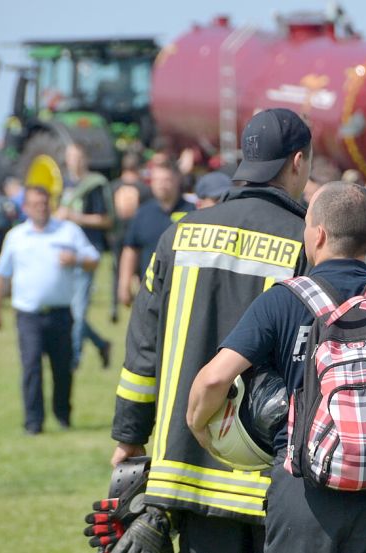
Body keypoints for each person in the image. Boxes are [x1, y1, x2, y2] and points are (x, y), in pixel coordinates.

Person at [186, 181, 366, 553]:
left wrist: (200, 429)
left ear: (318, 235)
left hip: (303, 491)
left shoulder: (283, 300)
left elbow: (215, 377)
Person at [110, 108, 312, 553]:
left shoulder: (177, 236)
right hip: (271, 478)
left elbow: (142, 353)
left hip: (185, 474)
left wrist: (129, 437)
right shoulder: (305, 242)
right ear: (298, 162)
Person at [0, 186, 100, 435]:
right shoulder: (16, 237)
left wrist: (77, 260)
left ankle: (63, 415)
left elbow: (94, 259)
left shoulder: (68, 231)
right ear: (25, 208)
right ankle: (33, 422)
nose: (41, 207)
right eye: (35, 204)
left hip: (61, 312)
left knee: (62, 368)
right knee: (31, 367)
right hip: (28, 314)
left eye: (45, 202)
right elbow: (1, 274)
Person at [57, 142, 112, 370]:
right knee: (71, 311)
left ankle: (73, 359)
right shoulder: (64, 185)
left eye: (78, 157)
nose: (74, 162)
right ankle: (101, 344)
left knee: (78, 310)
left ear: (85, 159)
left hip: (87, 254)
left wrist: (74, 216)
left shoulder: (95, 185)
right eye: (70, 157)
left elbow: (106, 220)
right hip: (64, 254)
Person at [117, 161, 195, 307]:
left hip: (185, 292)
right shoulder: (143, 213)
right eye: (157, 180)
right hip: (149, 293)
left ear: (178, 180)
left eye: (167, 180)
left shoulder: (193, 212)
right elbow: (131, 249)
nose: (162, 185)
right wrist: (124, 284)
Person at [110, 152, 151, 323]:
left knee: (116, 269)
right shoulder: (144, 189)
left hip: (117, 233)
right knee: (140, 271)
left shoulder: (113, 186)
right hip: (137, 235)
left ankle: (114, 304)